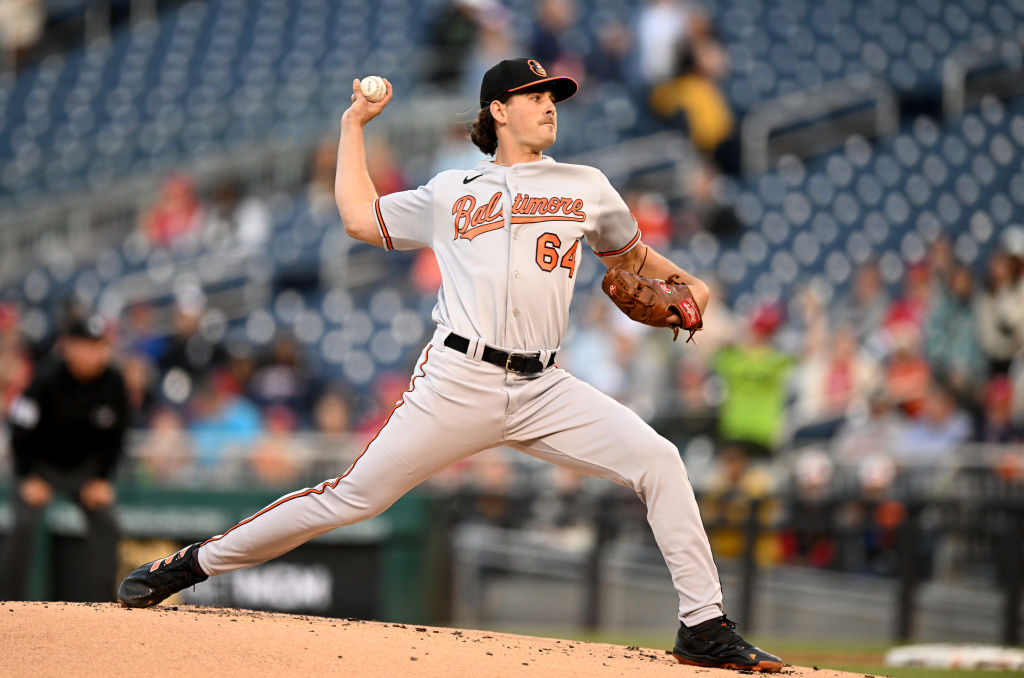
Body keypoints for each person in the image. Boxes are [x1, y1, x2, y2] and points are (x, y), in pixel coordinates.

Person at [116, 58, 782, 673]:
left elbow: (633, 264)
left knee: (659, 459)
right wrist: (353, 126)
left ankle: (704, 627)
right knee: (352, 498)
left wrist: (689, 289)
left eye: (554, 95)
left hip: (546, 385)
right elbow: (356, 217)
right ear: (497, 109)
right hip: (458, 382)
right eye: (535, 95)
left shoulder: (588, 187)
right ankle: (192, 564)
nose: (550, 105)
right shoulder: (451, 190)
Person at [0, 316, 128, 601]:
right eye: (84, 346)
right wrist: (29, 475)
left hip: (85, 470)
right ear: (68, 347)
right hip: (40, 465)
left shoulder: (114, 383)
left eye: (98, 346)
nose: (91, 354)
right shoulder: (45, 379)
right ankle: (8, 602)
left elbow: (117, 438)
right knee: (22, 524)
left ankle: (105, 603)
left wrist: (101, 478)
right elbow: (19, 431)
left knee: (108, 523)